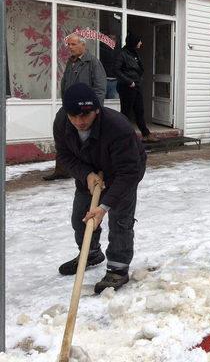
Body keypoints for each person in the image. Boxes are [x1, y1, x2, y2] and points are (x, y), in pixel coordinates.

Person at [54, 83, 146, 293]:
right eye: (74, 116)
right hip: (89, 171)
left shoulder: (118, 127)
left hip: (124, 171)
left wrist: (103, 207)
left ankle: (118, 268)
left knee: (120, 219)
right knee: (81, 216)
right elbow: (64, 156)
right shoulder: (62, 122)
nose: (80, 121)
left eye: (85, 114)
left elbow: (128, 173)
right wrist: (86, 174)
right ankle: (91, 252)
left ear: (96, 109)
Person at [43, 34, 107, 181]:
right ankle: (61, 169)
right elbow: (65, 84)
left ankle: (92, 171)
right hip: (70, 108)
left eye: (73, 44)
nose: (69, 47)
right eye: (69, 45)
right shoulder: (70, 62)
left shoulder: (93, 62)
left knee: (87, 140)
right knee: (61, 130)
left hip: (86, 109)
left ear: (83, 45)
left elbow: (100, 88)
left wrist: (92, 110)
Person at [114, 33, 158, 142]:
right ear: (134, 42)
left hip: (136, 86)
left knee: (139, 110)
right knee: (126, 112)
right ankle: (122, 136)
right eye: (139, 41)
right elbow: (116, 70)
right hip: (126, 87)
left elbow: (137, 69)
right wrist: (129, 81)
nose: (141, 43)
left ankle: (146, 134)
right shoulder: (122, 54)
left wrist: (137, 80)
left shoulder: (134, 54)